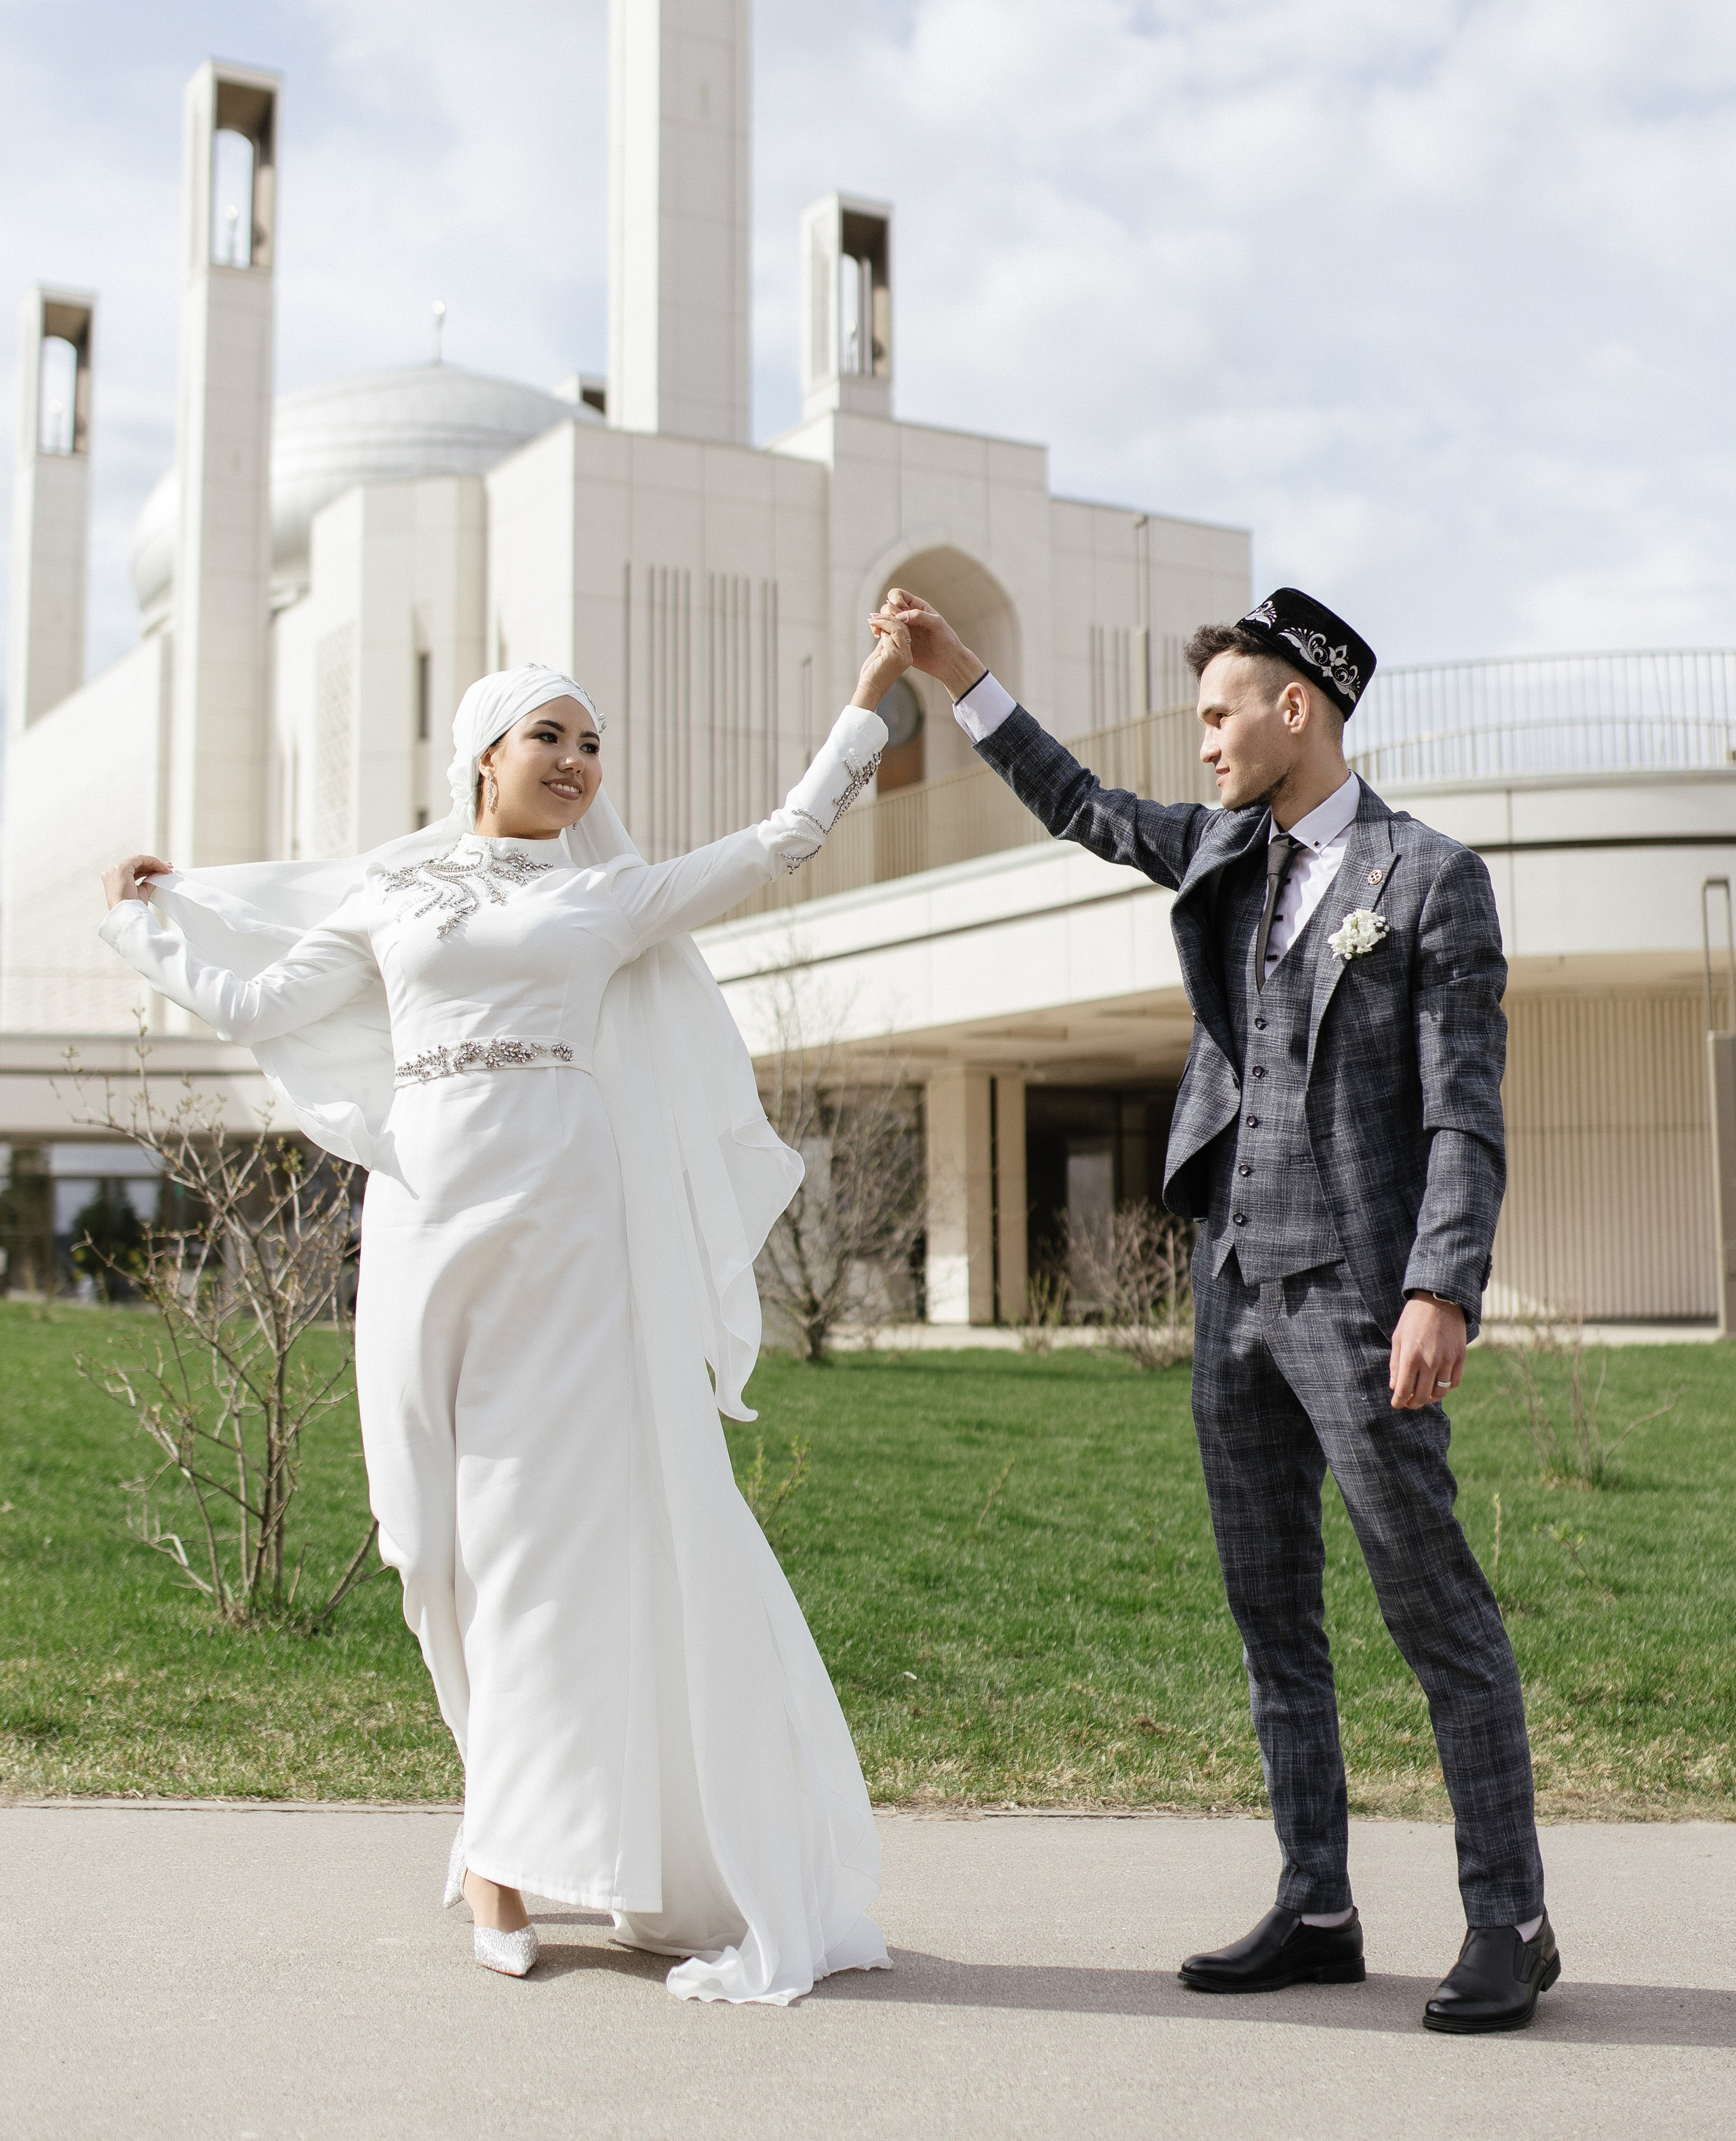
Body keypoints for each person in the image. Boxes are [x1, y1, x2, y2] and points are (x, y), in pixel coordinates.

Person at [99, 625, 914, 2000]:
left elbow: (780, 841)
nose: (578, 764)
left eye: (593, 745)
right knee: (428, 1541)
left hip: (565, 1235)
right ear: (485, 752)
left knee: (536, 1544)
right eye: (553, 737)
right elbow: (252, 998)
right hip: (424, 1224)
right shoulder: (390, 896)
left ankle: (504, 1861)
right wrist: (138, 919)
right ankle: (506, 1813)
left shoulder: (608, 902)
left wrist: (868, 707)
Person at [874, 584, 1557, 2037]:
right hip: (1234, 1283)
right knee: (1270, 1612)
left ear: (1289, 710)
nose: (1201, 745)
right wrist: (954, 676)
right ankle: (1315, 1901)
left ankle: (1508, 1915)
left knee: (1430, 1608)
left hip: (1363, 1298)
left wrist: (1439, 1286)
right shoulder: (1225, 854)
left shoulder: (1428, 879)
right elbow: (1077, 804)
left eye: (1215, 714)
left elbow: (1461, 1119)